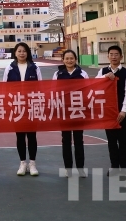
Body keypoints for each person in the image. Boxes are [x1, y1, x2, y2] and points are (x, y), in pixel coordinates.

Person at [2, 42, 42, 176]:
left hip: (31, 106)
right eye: (19, 51)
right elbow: (5, 88)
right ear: (15, 53)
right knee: (20, 136)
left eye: (24, 51)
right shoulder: (9, 68)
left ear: (27, 53)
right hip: (16, 107)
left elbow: (41, 87)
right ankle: (22, 163)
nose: (22, 53)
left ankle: (32, 164)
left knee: (32, 135)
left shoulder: (35, 68)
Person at [96, 45, 126, 178]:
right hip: (108, 113)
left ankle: (125, 168)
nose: (113, 57)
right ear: (108, 56)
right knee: (111, 142)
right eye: (111, 54)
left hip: (123, 113)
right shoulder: (102, 71)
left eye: (116, 54)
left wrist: (123, 111)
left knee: (123, 141)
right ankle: (114, 167)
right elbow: (94, 84)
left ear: (121, 57)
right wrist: (105, 77)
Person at [53, 50, 89, 178]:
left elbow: (88, 91)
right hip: (64, 112)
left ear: (75, 59)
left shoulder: (83, 74)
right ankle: (68, 168)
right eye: (67, 58)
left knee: (79, 140)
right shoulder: (57, 74)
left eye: (71, 58)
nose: (69, 61)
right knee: (66, 140)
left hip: (78, 111)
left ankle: (80, 168)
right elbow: (54, 92)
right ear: (63, 60)